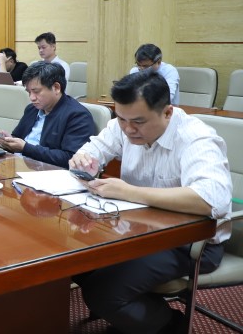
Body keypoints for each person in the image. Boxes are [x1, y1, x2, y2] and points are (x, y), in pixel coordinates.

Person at [69, 70, 231, 333]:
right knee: (75, 261)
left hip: (190, 243)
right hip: (138, 230)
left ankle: (171, 325)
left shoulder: (196, 137)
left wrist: (129, 192)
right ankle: (133, 317)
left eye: (138, 122)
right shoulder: (124, 123)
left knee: (103, 292)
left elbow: (211, 200)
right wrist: (83, 159)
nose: (128, 129)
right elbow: (94, 149)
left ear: (167, 112)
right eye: (121, 119)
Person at [0, 62, 93, 168]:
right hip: (22, 165)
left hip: (50, 172)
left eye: (36, 91)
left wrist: (25, 148)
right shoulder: (32, 109)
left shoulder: (78, 116)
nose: (32, 98)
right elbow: (19, 138)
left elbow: (70, 158)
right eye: (29, 92)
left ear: (56, 87)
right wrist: (7, 141)